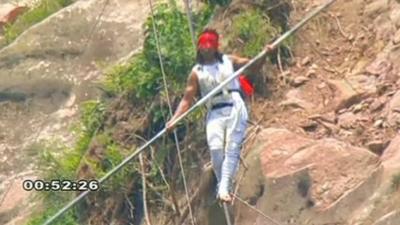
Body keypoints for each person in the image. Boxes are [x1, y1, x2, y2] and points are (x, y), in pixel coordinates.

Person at [166, 29, 274, 203]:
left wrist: (265, 54)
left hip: (234, 104)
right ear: (199, 48)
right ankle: (222, 184)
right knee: (216, 150)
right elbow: (187, 99)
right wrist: (174, 119)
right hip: (214, 111)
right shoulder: (196, 72)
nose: (207, 50)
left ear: (215, 47)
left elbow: (253, 65)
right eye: (204, 46)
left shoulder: (228, 61)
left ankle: (224, 189)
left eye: (210, 46)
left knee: (232, 147)